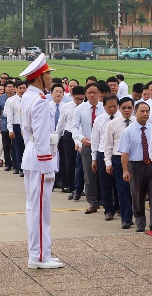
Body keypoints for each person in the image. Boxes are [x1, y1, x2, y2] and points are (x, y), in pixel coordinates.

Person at [18, 54, 64, 270]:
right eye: (47, 74)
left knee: (34, 208)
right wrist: (48, 165)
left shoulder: (27, 97)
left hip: (31, 154)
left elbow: (27, 132)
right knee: (40, 210)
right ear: (39, 77)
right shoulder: (40, 101)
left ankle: (40, 253)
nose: (50, 78)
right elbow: (42, 135)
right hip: (40, 158)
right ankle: (39, 256)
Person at [119, 100, 152, 232]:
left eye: (147, 111)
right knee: (137, 195)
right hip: (136, 165)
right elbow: (124, 153)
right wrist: (125, 170)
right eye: (142, 111)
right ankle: (140, 222)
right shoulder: (128, 131)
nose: (145, 114)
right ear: (135, 112)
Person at [102, 97, 136, 229]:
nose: (127, 110)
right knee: (122, 189)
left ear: (133, 108)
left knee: (135, 190)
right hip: (118, 159)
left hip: (135, 160)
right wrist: (108, 162)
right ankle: (126, 218)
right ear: (119, 109)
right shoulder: (113, 124)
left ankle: (136, 215)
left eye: (129, 108)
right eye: (124, 108)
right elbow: (108, 145)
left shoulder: (138, 122)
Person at [72, 83, 103, 207]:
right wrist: (80, 138)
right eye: (89, 92)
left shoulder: (104, 107)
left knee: (103, 174)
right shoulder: (80, 109)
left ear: (99, 93)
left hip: (102, 146)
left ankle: (104, 199)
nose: (91, 95)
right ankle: (92, 201)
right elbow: (74, 127)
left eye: (94, 92)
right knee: (89, 174)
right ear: (86, 94)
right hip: (87, 145)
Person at [93, 95, 119, 221]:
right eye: (110, 107)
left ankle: (120, 207)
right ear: (104, 107)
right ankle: (108, 210)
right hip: (103, 153)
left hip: (118, 154)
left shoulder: (122, 119)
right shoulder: (99, 120)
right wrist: (94, 158)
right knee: (105, 183)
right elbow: (95, 139)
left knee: (120, 183)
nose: (112, 109)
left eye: (115, 106)